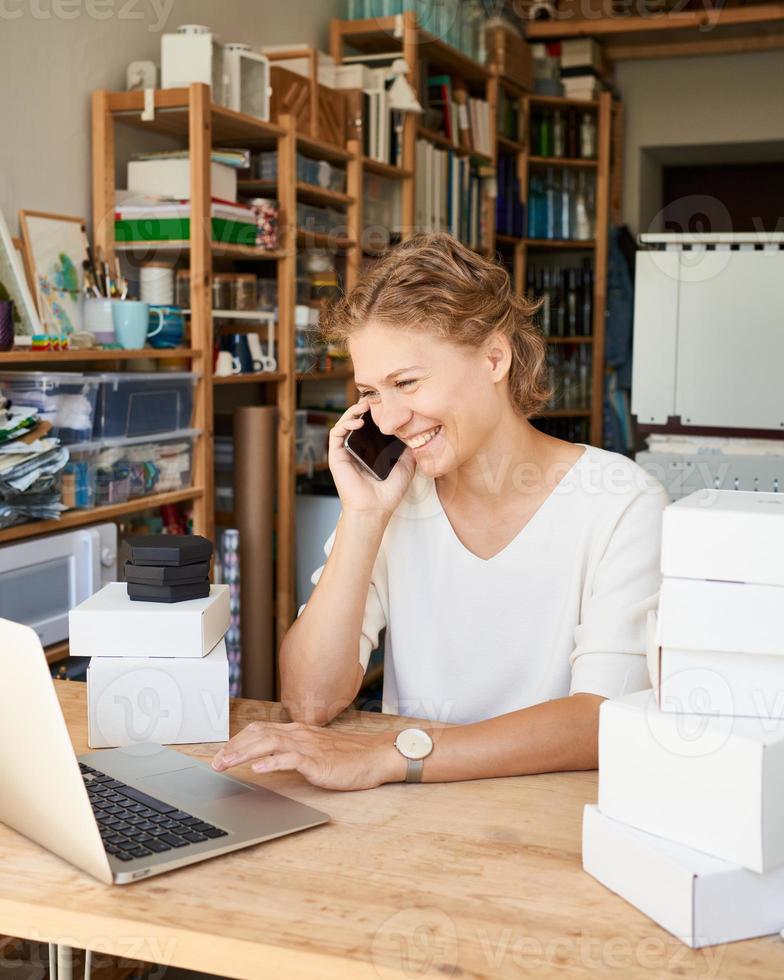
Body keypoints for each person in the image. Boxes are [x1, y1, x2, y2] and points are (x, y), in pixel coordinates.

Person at [212, 233, 668, 791]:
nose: (391, 418)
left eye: (406, 382)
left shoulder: (621, 502)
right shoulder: (395, 498)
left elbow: (601, 718)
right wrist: (363, 518)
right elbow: (308, 702)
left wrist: (389, 756)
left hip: (551, 822)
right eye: (371, 392)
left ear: (494, 358)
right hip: (415, 819)